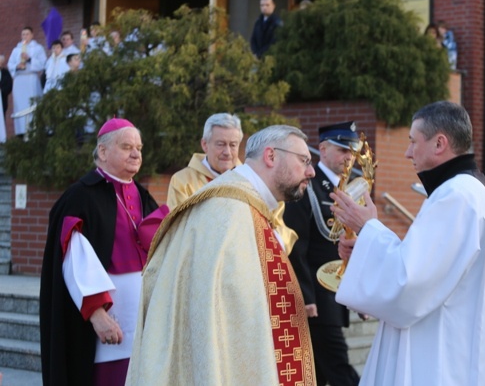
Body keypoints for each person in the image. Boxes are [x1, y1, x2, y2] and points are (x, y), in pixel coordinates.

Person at [331, 100, 485, 385]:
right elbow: (429, 268)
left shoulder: (455, 196)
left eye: (413, 141)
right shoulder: (471, 191)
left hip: (444, 356)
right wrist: (368, 242)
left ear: (439, 144)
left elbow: (408, 281)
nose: (407, 152)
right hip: (461, 344)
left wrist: (368, 228)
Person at [126, 125, 316, 385]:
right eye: (304, 160)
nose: (311, 171)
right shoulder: (229, 212)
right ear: (271, 156)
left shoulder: (249, 207)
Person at [40, 118, 167, 386]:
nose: (136, 154)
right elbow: (74, 261)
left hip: (144, 324)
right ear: (103, 152)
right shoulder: (80, 197)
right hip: (104, 325)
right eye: (126, 146)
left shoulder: (143, 196)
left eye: (139, 148)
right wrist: (98, 315)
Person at [284, 121, 362, 386]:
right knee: (339, 369)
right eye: (342, 150)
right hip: (317, 297)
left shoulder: (353, 189)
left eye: (352, 151)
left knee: (315, 374)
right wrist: (305, 296)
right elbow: (297, 244)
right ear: (323, 150)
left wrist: (362, 293)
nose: (349, 157)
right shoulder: (307, 186)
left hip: (338, 294)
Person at [166, 113, 243, 209]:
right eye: (220, 144)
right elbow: (179, 223)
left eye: (233, 145)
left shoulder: (248, 181)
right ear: (205, 145)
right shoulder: (183, 182)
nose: (227, 152)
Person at [7, 26, 46, 136]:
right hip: (19, 80)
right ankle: (21, 132)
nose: (25, 36)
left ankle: (34, 130)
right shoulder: (16, 50)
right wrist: (17, 66)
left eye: (27, 34)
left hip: (31, 78)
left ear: (32, 35)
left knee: (32, 104)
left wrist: (29, 59)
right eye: (23, 34)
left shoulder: (38, 48)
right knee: (20, 105)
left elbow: (43, 64)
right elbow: (10, 64)